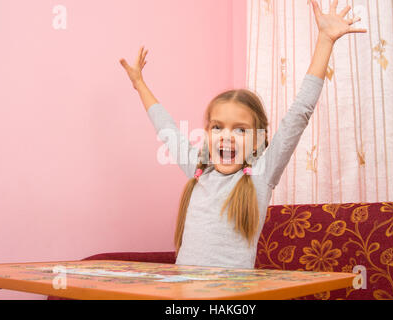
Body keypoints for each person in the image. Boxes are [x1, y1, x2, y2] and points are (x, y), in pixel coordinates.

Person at [119, 0, 366, 269]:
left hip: (233, 295)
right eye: (217, 127)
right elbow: (166, 129)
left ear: (259, 140)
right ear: (208, 134)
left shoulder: (262, 175)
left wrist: (325, 42)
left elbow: (299, 114)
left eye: (240, 129)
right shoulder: (198, 170)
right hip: (186, 293)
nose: (226, 136)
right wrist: (139, 84)